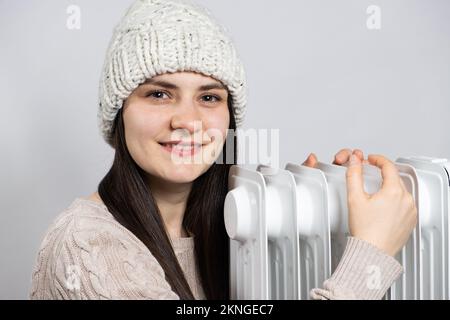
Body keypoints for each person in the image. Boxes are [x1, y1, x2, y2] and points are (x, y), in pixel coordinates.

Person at [30, 0, 417, 300]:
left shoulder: (228, 224)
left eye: (209, 97)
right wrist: (370, 254)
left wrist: (324, 223)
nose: (188, 119)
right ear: (119, 113)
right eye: (160, 94)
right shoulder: (87, 245)